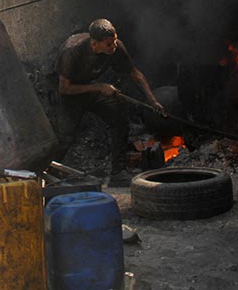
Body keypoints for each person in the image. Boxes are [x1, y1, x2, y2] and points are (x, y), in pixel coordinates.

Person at [56, 18, 165, 185]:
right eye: (109, 44)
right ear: (94, 44)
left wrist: (152, 100)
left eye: (114, 41)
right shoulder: (72, 51)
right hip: (69, 93)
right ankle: (49, 175)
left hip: (90, 88)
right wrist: (100, 87)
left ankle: (118, 173)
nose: (114, 46)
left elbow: (134, 73)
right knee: (65, 136)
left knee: (119, 116)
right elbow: (64, 88)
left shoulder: (116, 47)